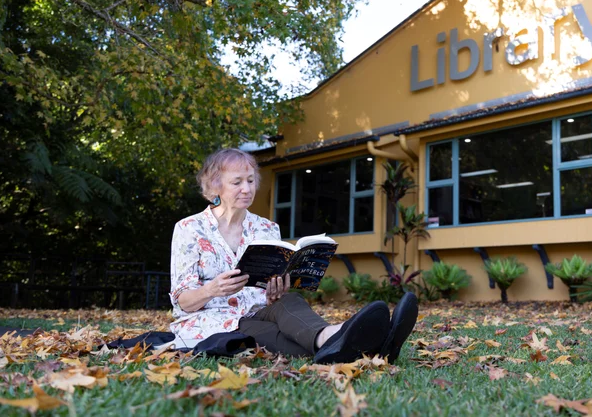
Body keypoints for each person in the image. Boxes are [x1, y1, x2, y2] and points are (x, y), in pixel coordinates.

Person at [169, 148, 417, 363]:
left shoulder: (266, 228)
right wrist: (211, 290)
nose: (247, 189)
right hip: (213, 320)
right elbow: (182, 301)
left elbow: (272, 288)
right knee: (260, 332)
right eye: (237, 182)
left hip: (261, 308)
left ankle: (337, 337)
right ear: (215, 186)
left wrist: (278, 288)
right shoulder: (189, 228)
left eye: (251, 180)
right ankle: (372, 343)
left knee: (290, 302)